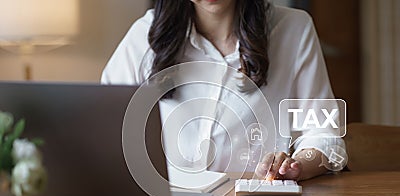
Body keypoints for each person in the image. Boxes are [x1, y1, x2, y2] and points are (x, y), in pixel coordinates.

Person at [101, 0, 347, 181]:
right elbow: (105, 132)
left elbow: (326, 135)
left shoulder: (293, 29)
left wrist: (295, 166)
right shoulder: (145, 34)